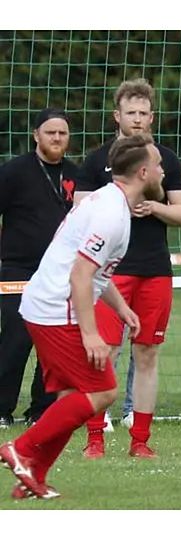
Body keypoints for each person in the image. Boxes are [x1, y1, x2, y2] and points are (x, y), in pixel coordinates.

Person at [0, 134, 164, 499]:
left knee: (73, 397)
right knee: (103, 391)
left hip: (47, 304)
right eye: (158, 165)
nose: (162, 170)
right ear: (142, 172)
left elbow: (97, 273)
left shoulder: (111, 202)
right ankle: (22, 449)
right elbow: (80, 275)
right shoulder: (111, 214)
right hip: (57, 308)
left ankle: (33, 475)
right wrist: (91, 335)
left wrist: (122, 309)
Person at [74, 78, 181, 459]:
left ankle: (140, 440)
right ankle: (95, 438)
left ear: (151, 117)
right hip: (111, 272)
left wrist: (155, 207)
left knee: (147, 354)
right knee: (102, 351)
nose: (137, 120)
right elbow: (81, 213)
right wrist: (121, 205)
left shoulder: (165, 161)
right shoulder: (96, 161)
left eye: (144, 113)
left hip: (155, 269)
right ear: (117, 116)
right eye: (131, 113)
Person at [0, 108, 78, 428]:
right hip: (18, 269)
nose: (57, 138)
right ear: (36, 136)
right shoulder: (14, 172)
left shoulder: (77, 174)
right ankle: (2, 408)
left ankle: (42, 410)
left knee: (53, 342)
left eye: (62, 133)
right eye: (50, 132)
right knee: (16, 339)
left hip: (60, 273)